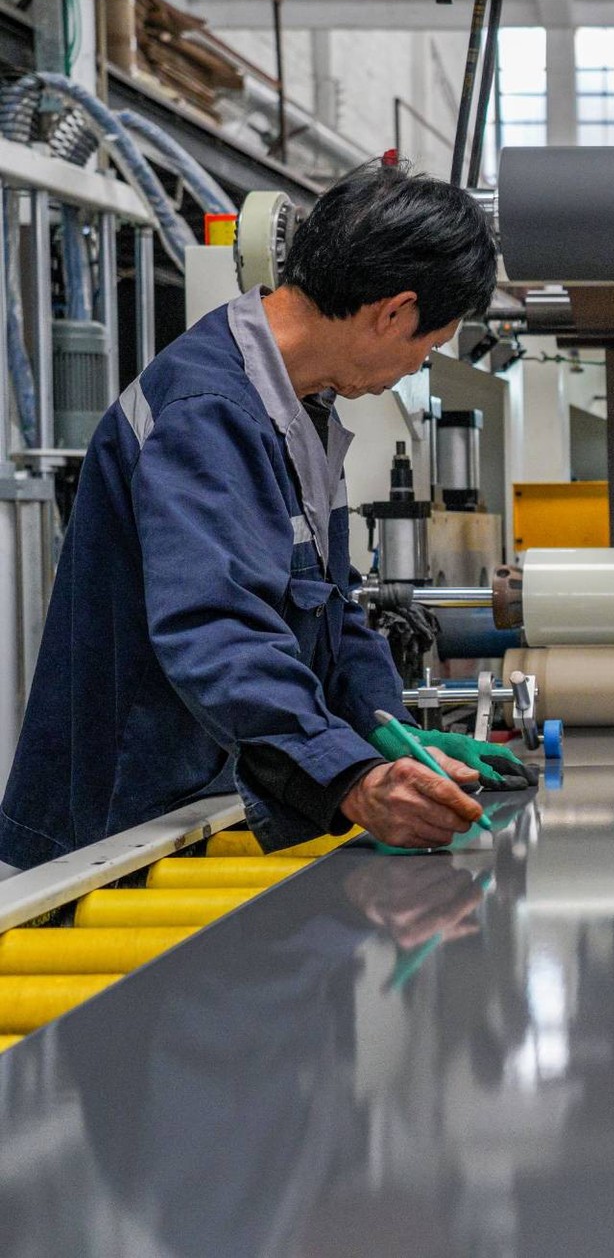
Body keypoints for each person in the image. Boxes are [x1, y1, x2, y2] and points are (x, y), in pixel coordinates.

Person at [0, 158, 532, 875]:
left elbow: (332, 612)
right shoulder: (208, 413)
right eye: (426, 348)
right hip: (130, 822)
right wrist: (349, 777)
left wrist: (394, 736)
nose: (414, 368)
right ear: (395, 311)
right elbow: (215, 629)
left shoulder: (301, 409)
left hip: (210, 802)